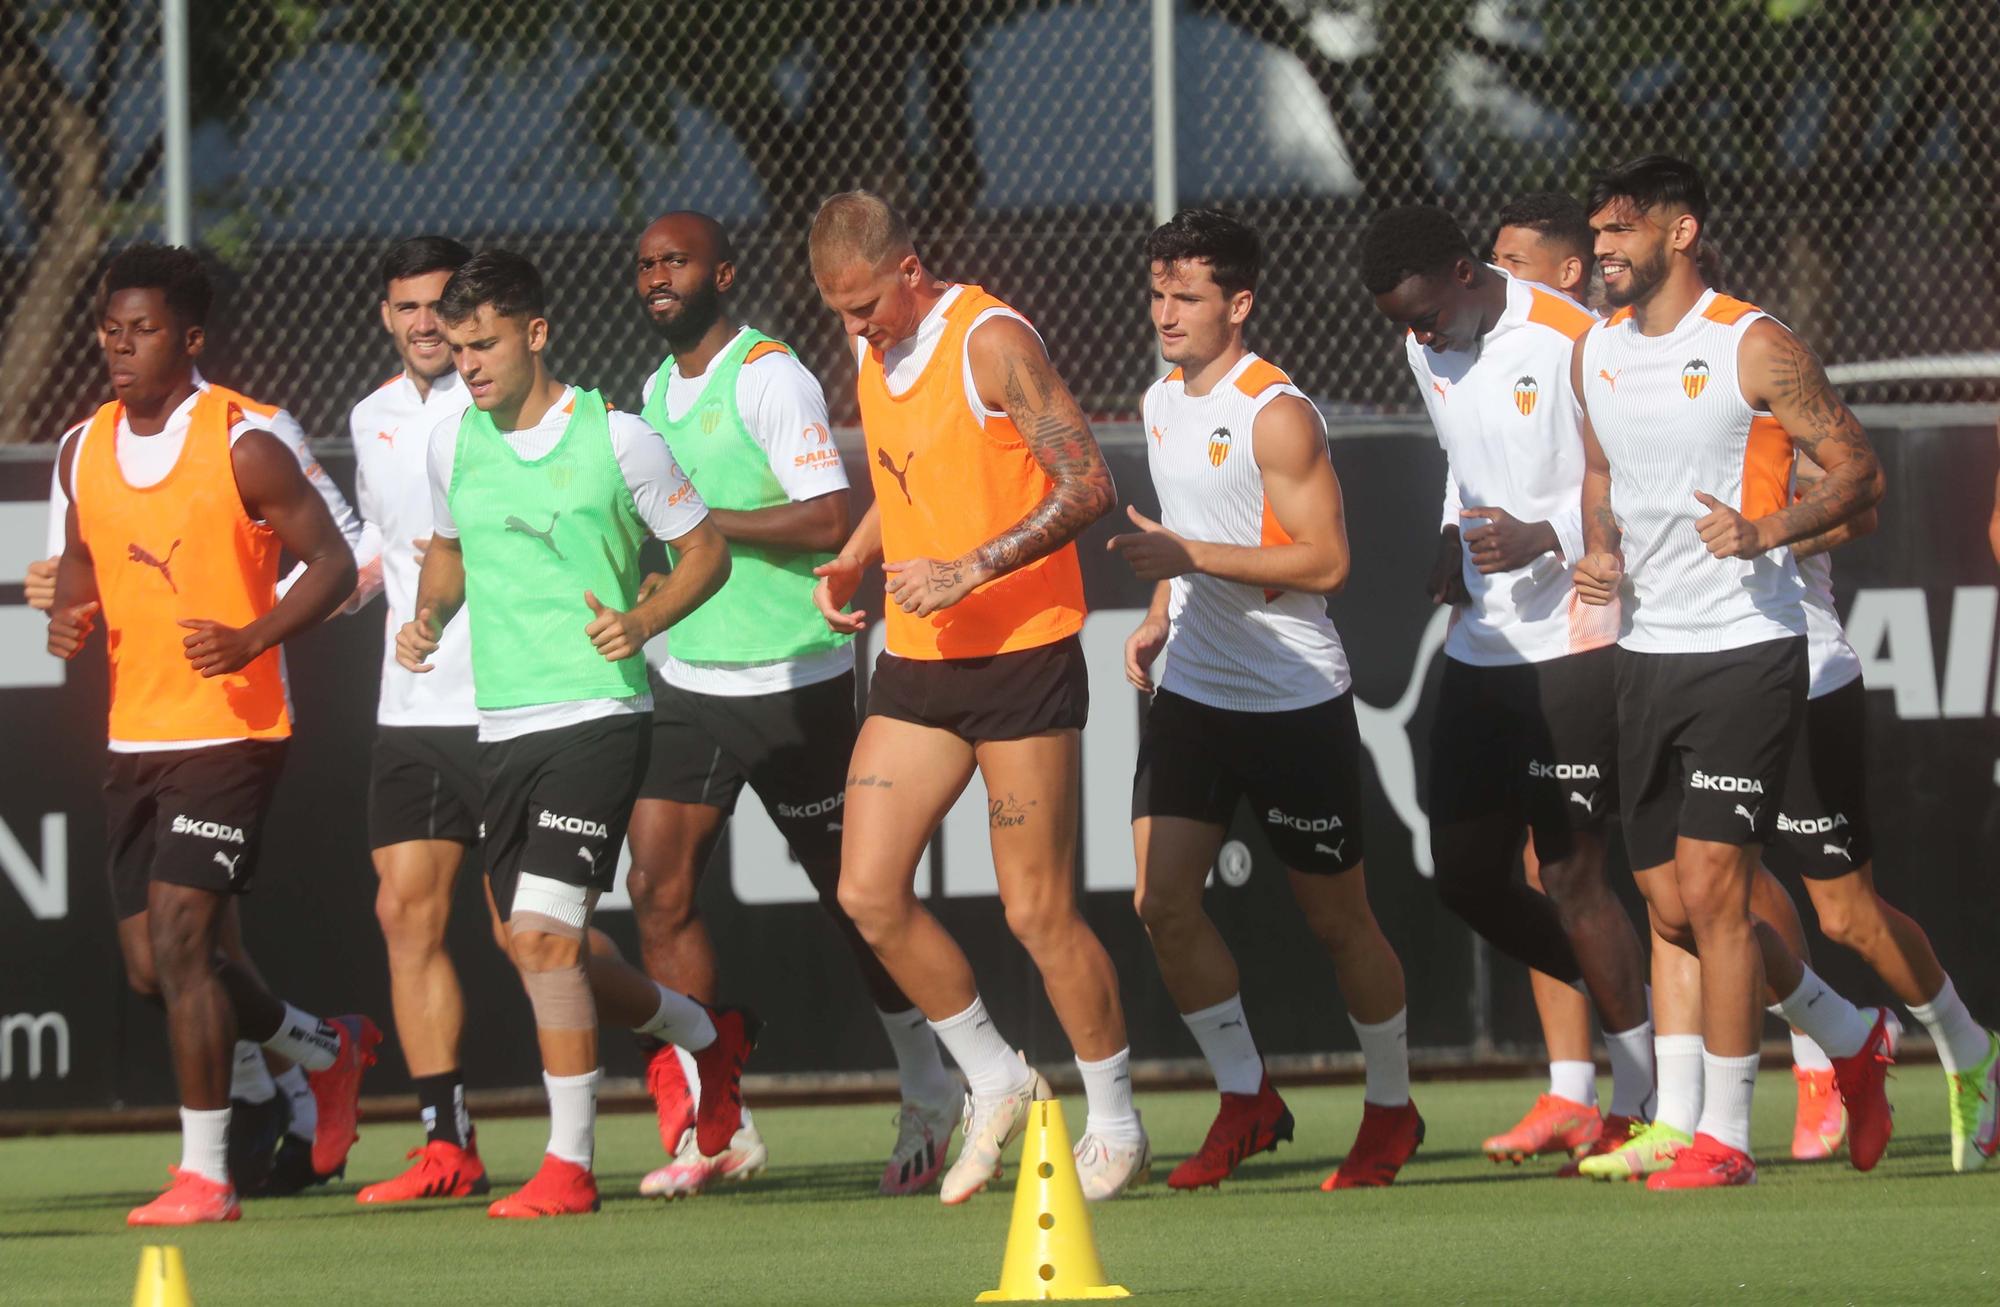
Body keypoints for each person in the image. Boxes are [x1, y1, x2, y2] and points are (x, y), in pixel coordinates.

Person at [393, 249, 750, 1218]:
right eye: (455, 347)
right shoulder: (448, 441)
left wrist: (642, 622)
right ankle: (701, 1035)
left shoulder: (617, 437)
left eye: (484, 343)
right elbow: (449, 551)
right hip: (499, 729)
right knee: (536, 939)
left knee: (547, 938)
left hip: (598, 716)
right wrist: (427, 615)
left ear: (537, 333)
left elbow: (704, 552)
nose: (464, 362)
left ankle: (568, 1162)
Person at [808, 190, 1146, 1203]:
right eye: (837, 309)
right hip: (918, 659)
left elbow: (1082, 483)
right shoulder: (875, 350)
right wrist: (855, 553)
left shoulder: (988, 339)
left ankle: (1118, 1123)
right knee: (866, 889)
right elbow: (905, 472)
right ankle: (996, 1079)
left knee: (1036, 908)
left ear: (908, 269)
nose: (854, 327)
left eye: (864, 303)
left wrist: (970, 567)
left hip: (1021, 656)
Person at [622, 211, 959, 1199]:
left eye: (675, 261)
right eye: (644, 265)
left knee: (860, 902)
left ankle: (927, 1084)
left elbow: (825, 517)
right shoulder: (652, 391)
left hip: (793, 682)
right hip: (692, 679)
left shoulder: (769, 376)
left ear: (721, 272)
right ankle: (716, 1120)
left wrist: (695, 522)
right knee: (655, 886)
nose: (657, 278)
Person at [1571, 155, 1893, 1189]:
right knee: (1667, 902)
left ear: (1679, 233)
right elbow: (1597, 472)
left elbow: (1856, 469)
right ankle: (1847, 1034)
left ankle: (1724, 1135)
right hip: (1645, 651)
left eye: (1621, 230)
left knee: (1715, 890)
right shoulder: (1597, 352)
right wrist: (1598, 545)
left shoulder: (1750, 342)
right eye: (1596, 232)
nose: (1603, 249)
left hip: (1746, 651)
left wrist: (1766, 530)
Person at [45, 244, 377, 1225]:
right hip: (132, 734)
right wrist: (70, 614)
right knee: (155, 965)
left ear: (187, 338)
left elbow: (333, 560)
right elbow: (76, 560)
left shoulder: (245, 440)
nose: (120, 344)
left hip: (234, 730)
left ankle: (205, 1176)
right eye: (110, 328)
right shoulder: (81, 444)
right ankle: (325, 1049)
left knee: (188, 939)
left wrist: (252, 636)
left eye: (141, 328)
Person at [1116, 208, 1421, 1192]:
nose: (1166, 312)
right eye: (1157, 292)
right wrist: (1163, 608)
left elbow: (1325, 561)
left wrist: (1187, 560)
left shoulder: (1273, 411)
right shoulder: (1160, 400)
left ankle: (1388, 1107)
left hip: (1292, 700)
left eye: (1187, 295)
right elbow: (1185, 525)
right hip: (1193, 696)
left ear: (1237, 303)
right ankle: (1246, 1095)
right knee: (1160, 901)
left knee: (1340, 924)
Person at [1359, 203, 1658, 1175]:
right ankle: (1646, 1009)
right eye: (1399, 323)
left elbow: (1637, 477)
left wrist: (1551, 539)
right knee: (1462, 875)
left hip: (1578, 636)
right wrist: (1453, 531)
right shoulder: (1427, 342)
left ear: (1462, 273)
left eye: (1421, 315)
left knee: (1572, 874)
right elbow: (1465, 457)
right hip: (1482, 643)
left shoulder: (1577, 337)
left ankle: (1639, 1090)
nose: (1415, 337)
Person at [336, 235, 497, 1204]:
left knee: (531, 934)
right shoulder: (369, 419)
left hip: (512, 704)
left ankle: (683, 1047)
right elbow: (377, 548)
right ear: (386, 317)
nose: (426, 322)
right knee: (402, 911)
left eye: (441, 304)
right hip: (411, 711)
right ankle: (447, 1140)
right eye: (408, 307)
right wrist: (296, 597)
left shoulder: (507, 406)